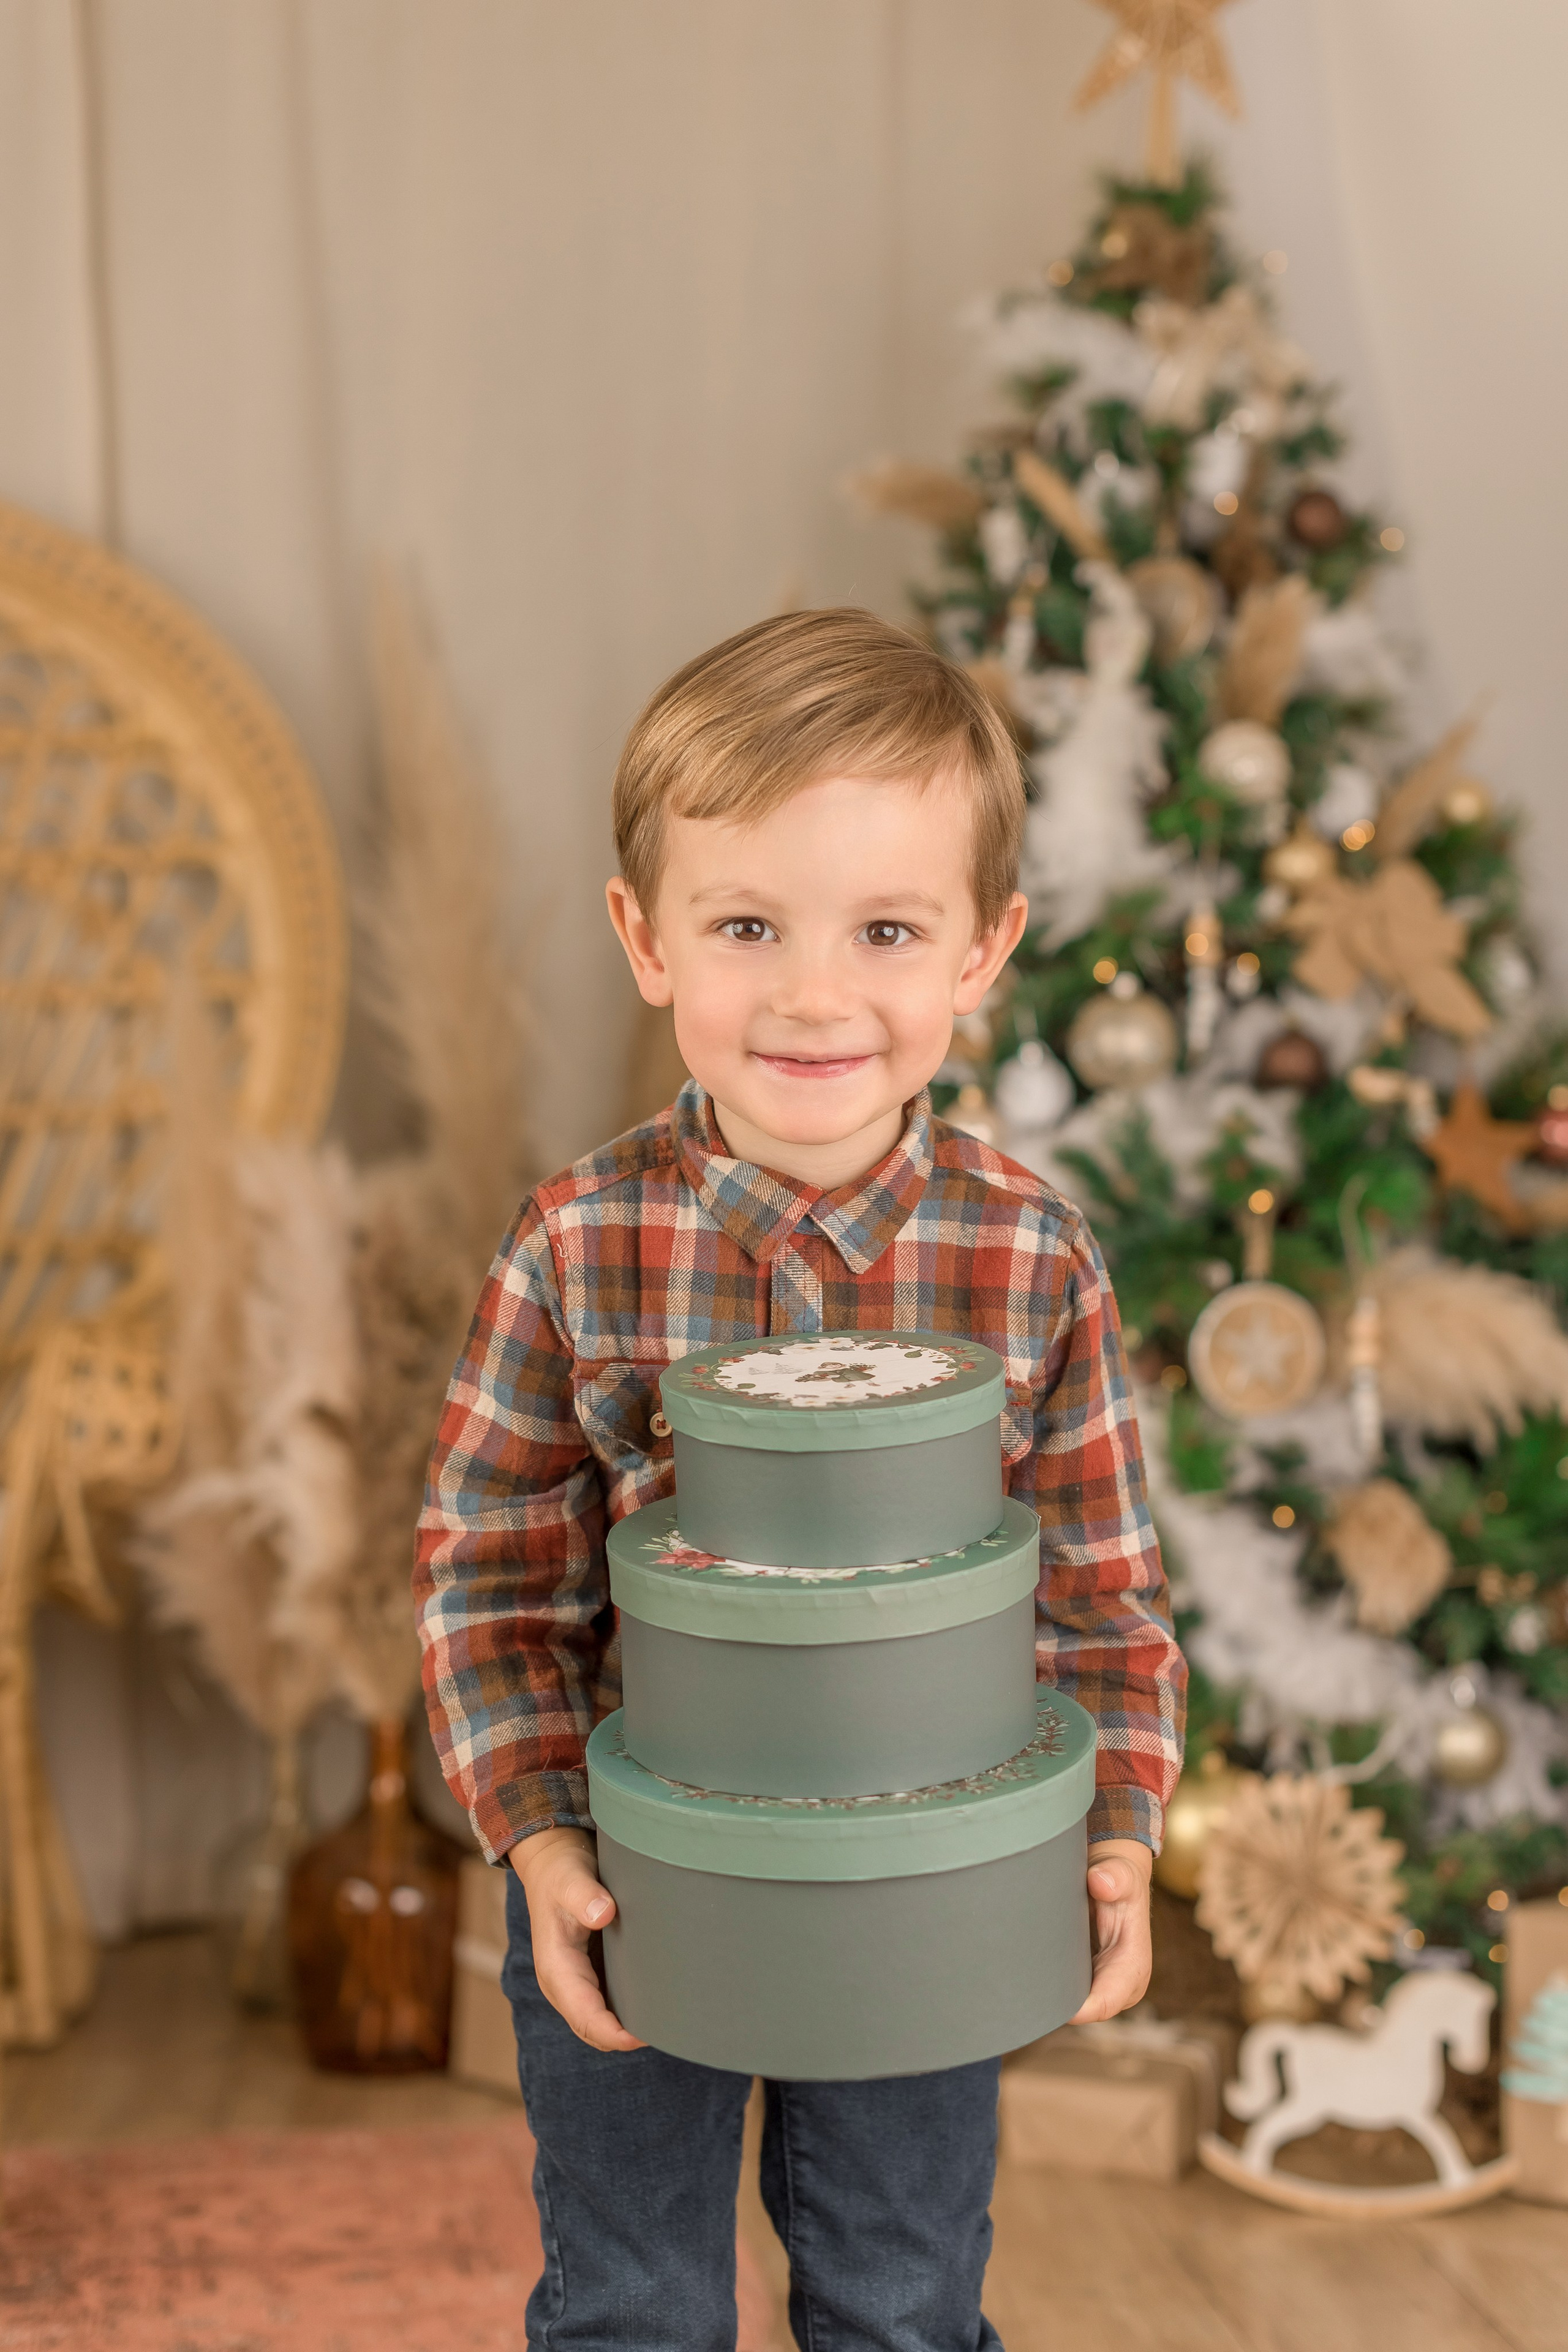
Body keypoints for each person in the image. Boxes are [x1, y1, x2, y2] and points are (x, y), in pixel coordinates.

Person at [415, 607, 1186, 2352]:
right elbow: (485, 1579)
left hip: (930, 1891)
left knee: (905, 2302)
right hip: (635, 1878)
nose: (818, 993)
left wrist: (1118, 1825)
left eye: (888, 929)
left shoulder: (1032, 1257)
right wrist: (540, 1842)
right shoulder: (576, 1243)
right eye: (748, 925)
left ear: (983, 951)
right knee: (632, 2306)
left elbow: (1102, 1597)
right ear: (647, 938)